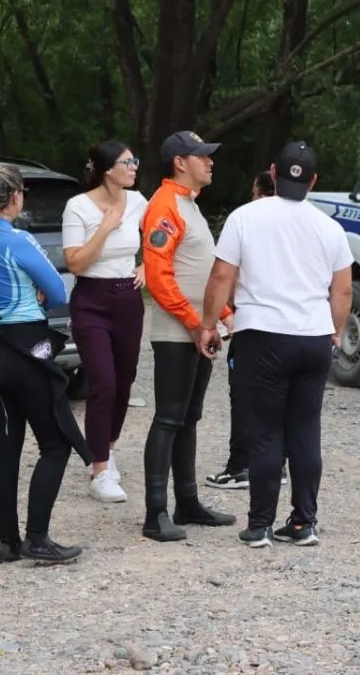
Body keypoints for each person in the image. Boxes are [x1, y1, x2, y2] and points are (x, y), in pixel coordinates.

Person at [196, 142, 354, 549]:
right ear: (314, 181)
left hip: (262, 333)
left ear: (272, 171)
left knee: (265, 431)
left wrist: (209, 324)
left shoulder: (245, 217)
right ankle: (304, 522)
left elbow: (220, 276)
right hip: (313, 337)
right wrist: (334, 332)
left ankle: (260, 523)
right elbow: (344, 291)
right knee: (305, 431)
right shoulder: (330, 227)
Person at [0, 162, 93, 564]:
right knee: (55, 444)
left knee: (6, 449)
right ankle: (38, 538)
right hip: (25, 348)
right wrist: (38, 294)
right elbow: (57, 290)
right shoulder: (17, 239)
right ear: (15, 197)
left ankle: (8, 542)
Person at [139, 130, 237, 542]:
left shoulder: (189, 205)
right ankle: (155, 513)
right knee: (168, 417)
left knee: (189, 417)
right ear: (181, 161)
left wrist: (222, 316)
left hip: (199, 330)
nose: (211, 162)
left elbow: (202, 274)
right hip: (178, 332)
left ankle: (188, 501)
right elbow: (159, 278)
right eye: (203, 156)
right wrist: (195, 323)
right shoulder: (165, 206)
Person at [61, 141, 148, 504]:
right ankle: (99, 470)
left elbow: (161, 242)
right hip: (91, 300)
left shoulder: (140, 202)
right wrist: (106, 227)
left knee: (125, 380)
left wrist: (146, 266)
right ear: (106, 169)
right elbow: (76, 263)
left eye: (134, 161)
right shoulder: (78, 206)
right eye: (127, 162)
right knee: (104, 382)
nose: (133, 167)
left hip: (128, 298)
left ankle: (107, 451)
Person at [205, 171, 288, 491]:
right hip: (293, 327)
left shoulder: (247, 222)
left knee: (244, 397)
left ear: (258, 194)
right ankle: (277, 463)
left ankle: (240, 465)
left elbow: (226, 274)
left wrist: (214, 318)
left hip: (252, 323)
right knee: (279, 398)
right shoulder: (299, 223)